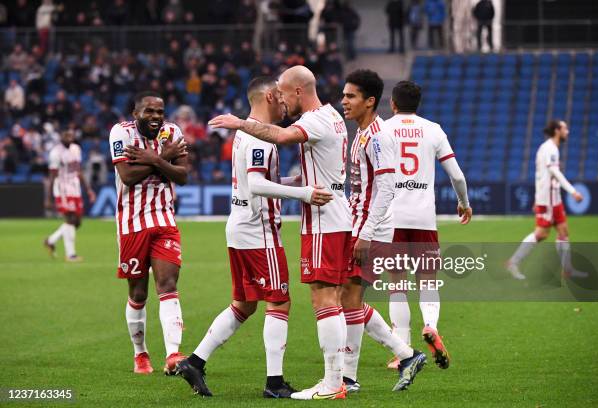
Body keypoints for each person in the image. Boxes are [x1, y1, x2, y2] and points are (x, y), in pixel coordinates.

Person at [175, 77, 333, 398]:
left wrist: (293, 179)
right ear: (271, 96)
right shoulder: (260, 139)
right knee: (279, 301)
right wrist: (304, 192)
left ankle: (194, 361)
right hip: (258, 231)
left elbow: (256, 181)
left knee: (244, 304)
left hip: (240, 227)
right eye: (281, 95)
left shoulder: (246, 134)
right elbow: (258, 185)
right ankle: (274, 384)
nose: (285, 102)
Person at [209, 65, 352, 400]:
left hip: (323, 218)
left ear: (298, 91)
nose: (282, 101)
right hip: (335, 212)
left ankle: (333, 383)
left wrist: (240, 123)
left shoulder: (313, 120)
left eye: (285, 93)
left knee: (323, 298)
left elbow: (282, 136)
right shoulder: (331, 116)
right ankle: (339, 378)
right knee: (333, 297)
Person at [340, 69, 426, 392]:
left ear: (370, 101)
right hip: (359, 226)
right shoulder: (363, 132)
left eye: (351, 96)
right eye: (344, 95)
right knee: (349, 298)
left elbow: (387, 188)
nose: (343, 101)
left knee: (349, 298)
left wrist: (366, 232)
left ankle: (352, 376)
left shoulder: (377, 135)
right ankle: (403, 356)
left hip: (370, 231)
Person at [384, 80, 471, 370]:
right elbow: (457, 176)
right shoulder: (433, 129)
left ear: (393, 104)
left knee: (397, 284)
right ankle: (431, 325)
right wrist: (464, 202)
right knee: (428, 280)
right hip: (423, 218)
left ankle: (402, 352)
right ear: (417, 104)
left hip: (391, 218)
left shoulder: (382, 129)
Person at [109, 91, 189, 376]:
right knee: (139, 292)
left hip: (164, 220)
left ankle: (173, 355)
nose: (156, 117)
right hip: (131, 223)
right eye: (149, 112)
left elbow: (182, 175)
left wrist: (155, 158)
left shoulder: (173, 132)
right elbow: (127, 177)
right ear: (135, 113)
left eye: (159, 112)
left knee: (167, 285)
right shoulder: (121, 133)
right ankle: (140, 354)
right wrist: (162, 157)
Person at [507, 120, 586, 280]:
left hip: (553, 197)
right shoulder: (550, 149)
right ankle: (513, 263)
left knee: (563, 231)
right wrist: (573, 191)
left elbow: (540, 175)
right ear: (557, 130)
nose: (568, 131)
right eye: (565, 128)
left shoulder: (548, 148)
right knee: (541, 233)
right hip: (548, 199)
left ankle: (568, 270)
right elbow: (554, 173)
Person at [44, 129, 96, 262]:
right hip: (62, 188)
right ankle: (71, 254)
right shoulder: (55, 153)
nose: (69, 137)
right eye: (66, 134)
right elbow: (52, 176)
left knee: (77, 222)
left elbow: (78, 171)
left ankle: (51, 240)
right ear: (61, 136)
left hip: (75, 186)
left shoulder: (76, 149)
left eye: (71, 135)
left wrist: (88, 189)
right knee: (70, 219)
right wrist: (48, 198)